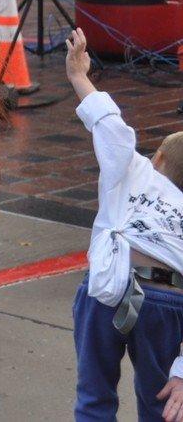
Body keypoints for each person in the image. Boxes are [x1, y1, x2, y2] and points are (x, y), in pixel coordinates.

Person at [67, 28, 183, 421]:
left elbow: (111, 128)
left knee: (94, 397)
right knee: (162, 403)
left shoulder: (136, 173)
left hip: (107, 288)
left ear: (160, 160)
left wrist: (80, 77)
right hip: (168, 301)